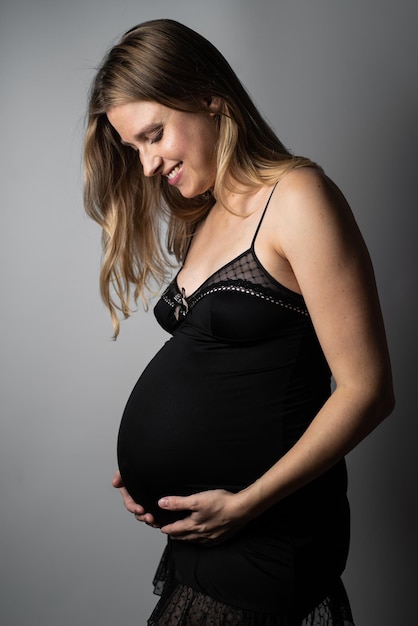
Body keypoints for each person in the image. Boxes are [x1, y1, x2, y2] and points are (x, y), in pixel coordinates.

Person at [84, 18, 394, 626]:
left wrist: (246, 504)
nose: (146, 166)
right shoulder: (206, 215)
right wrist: (152, 474)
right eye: (133, 148)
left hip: (268, 535)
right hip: (207, 537)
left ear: (208, 95)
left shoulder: (298, 198)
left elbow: (368, 391)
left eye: (154, 135)